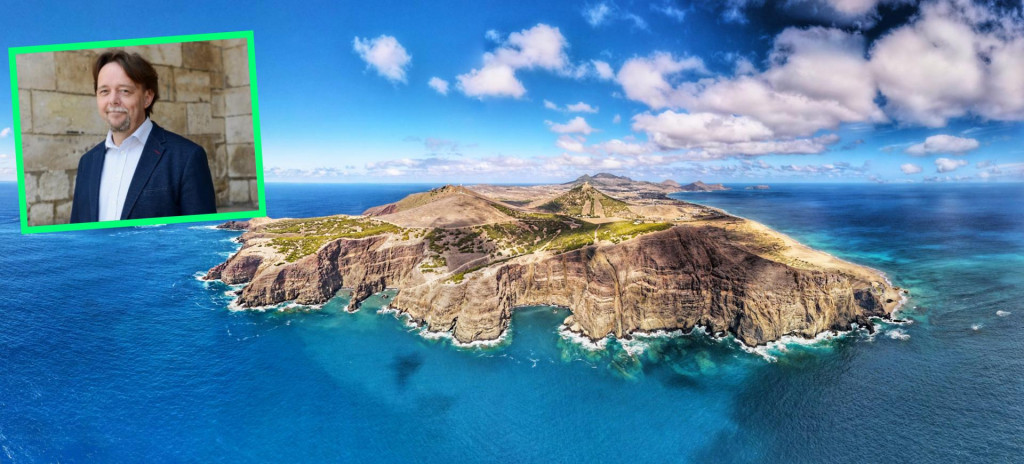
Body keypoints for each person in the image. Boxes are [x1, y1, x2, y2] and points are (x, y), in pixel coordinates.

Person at [69, 50, 217, 223]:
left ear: (147, 98)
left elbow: (202, 238)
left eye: (124, 91)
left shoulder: (186, 158)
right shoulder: (87, 162)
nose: (113, 100)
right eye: (104, 91)